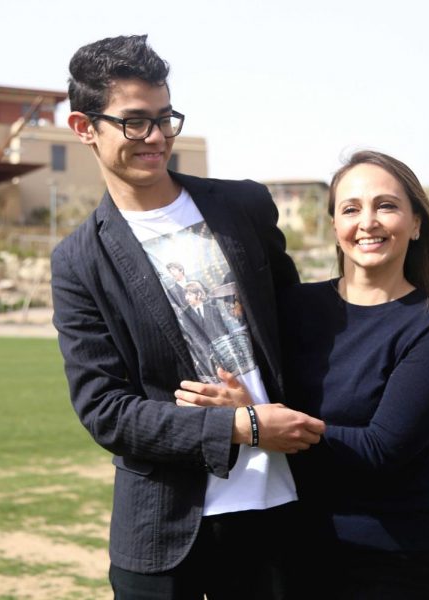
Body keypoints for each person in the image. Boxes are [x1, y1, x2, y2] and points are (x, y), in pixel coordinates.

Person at [50, 34, 325, 599]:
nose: (155, 137)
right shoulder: (79, 262)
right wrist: (243, 426)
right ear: (84, 128)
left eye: (164, 117)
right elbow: (107, 412)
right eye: (133, 122)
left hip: (283, 512)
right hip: (162, 534)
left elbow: (301, 331)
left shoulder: (243, 206)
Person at [178, 150, 429, 598]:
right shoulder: (295, 306)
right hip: (285, 543)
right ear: (335, 225)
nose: (367, 221)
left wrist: (256, 420)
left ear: (416, 224)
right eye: (351, 209)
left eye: (386, 206)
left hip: (387, 558)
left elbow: (380, 450)